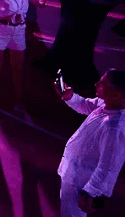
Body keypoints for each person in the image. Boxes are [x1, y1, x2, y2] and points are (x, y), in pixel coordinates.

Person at [56, 70, 125, 217]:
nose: (96, 84)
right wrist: (70, 97)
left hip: (81, 182)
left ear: (116, 94)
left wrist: (89, 193)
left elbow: (108, 166)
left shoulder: (114, 129)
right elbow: (86, 105)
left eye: (102, 84)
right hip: (73, 174)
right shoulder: (105, 103)